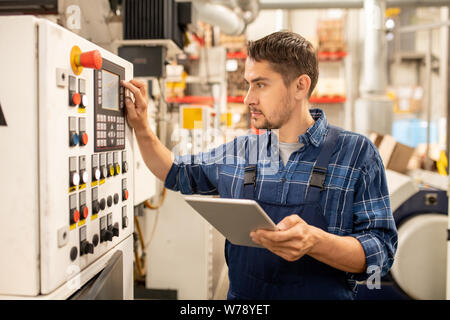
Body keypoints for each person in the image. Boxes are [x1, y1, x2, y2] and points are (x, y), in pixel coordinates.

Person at [121, 31, 397, 300]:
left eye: (260, 84)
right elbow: (176, 172)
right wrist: (142, 126)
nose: (248, 98)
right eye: (248, 84)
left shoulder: (356, 154)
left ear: (301, 85)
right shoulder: (240, 152)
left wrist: (316, 242)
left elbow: (381, 256)